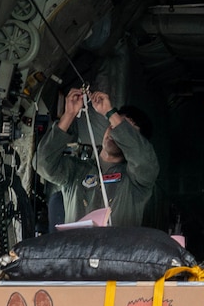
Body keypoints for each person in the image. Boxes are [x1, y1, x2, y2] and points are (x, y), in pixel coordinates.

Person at [34, 87, 160, 227]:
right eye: (112, 125)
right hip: (77, 248)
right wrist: (69, 114)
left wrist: (110, 113)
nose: (114, 132)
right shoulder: (76, 171)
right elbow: (42, 163)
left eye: (125, 131)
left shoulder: (137, 180)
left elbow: (144, 159)